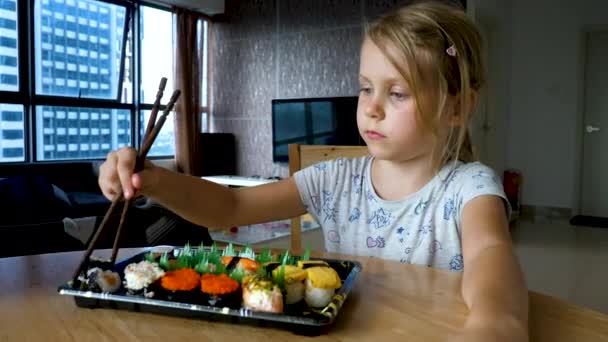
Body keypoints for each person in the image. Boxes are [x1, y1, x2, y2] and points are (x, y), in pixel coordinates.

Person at [99, 1, 528, 340]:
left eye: (397, 93)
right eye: (365, 88)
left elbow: (491, 255)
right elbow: (230, 205)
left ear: (456, 107)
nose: (371, 107)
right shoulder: (335, 180)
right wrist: (154, 179)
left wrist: (497, 323)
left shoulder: (469, 187)